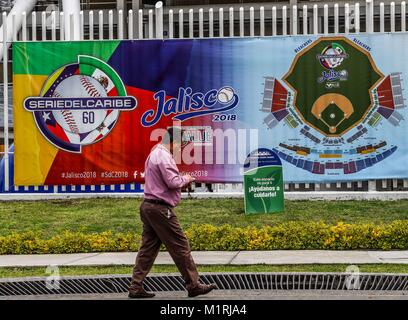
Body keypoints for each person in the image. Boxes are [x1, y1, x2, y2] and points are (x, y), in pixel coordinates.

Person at [128, 127, 217, 298]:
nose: (180, 148)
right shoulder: (163, 156)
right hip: (161, 209)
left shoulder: (154, 153)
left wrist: (179, 178)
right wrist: (187, 178)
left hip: (148, 206)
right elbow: (172, 182)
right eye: (180, 144)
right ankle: (193, 285)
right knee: (181, 246)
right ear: (173, 142)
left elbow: (166, 180)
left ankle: (135, 286)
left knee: (148, 249)